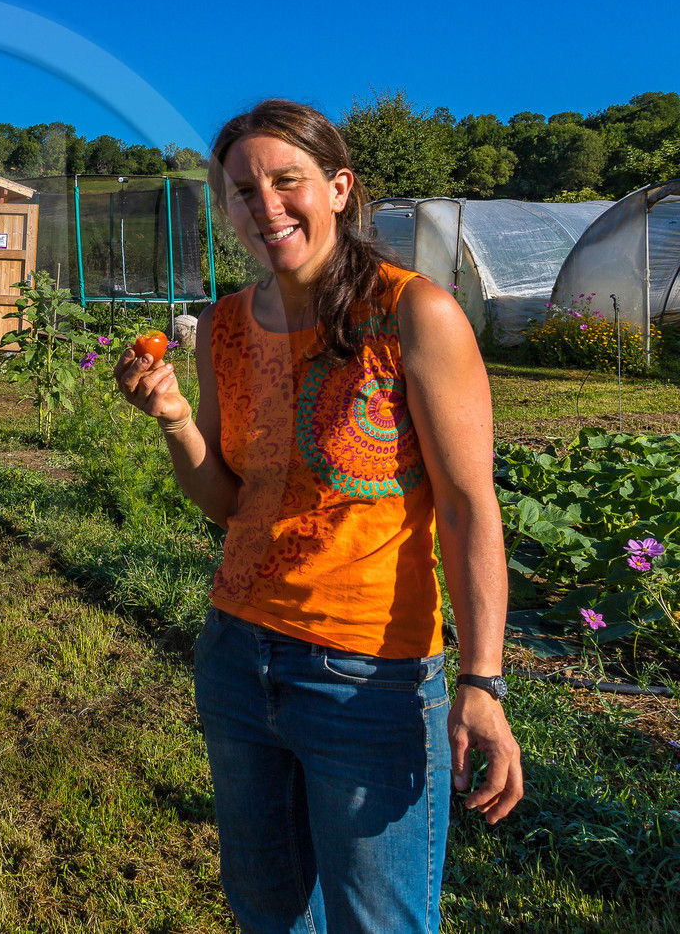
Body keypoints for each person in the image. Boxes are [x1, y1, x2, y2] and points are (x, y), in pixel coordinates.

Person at [115, 100, 524, 934]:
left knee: (378, 920)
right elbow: (230, 501)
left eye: (286, 180)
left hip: (369, 676)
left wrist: (483, 680)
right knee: (266, 908)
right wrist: (174, 418)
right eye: (241, 190)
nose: (264, 205)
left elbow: (469, 506)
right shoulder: (224, 326)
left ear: (338, 188)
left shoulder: (414, 313)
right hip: (236, 653)